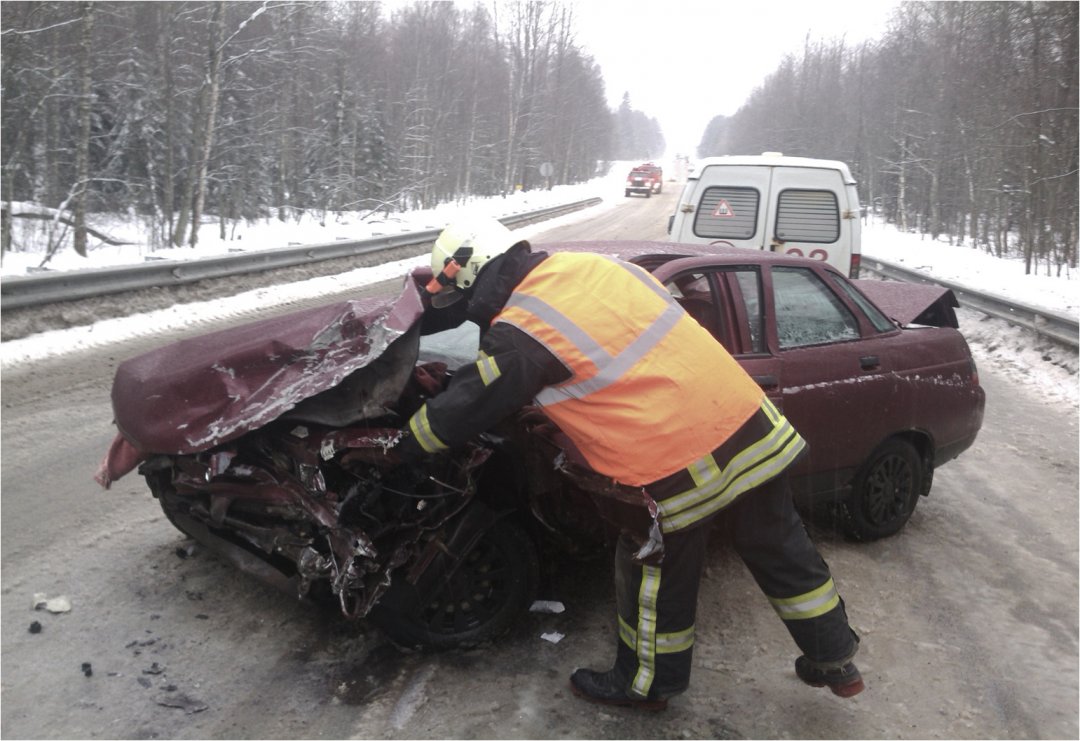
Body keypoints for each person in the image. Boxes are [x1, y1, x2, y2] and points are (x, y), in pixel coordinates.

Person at [393, 216, 863, 710]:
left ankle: (644, 684)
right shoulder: (593, 267)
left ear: (471, 274)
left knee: (652, 572)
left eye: (459, 296)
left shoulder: (522, 326)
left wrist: (405, 443)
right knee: (782, 547)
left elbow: (472, 402)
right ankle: (834, 660)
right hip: (749, 423)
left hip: (676, 459)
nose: (464, 308)